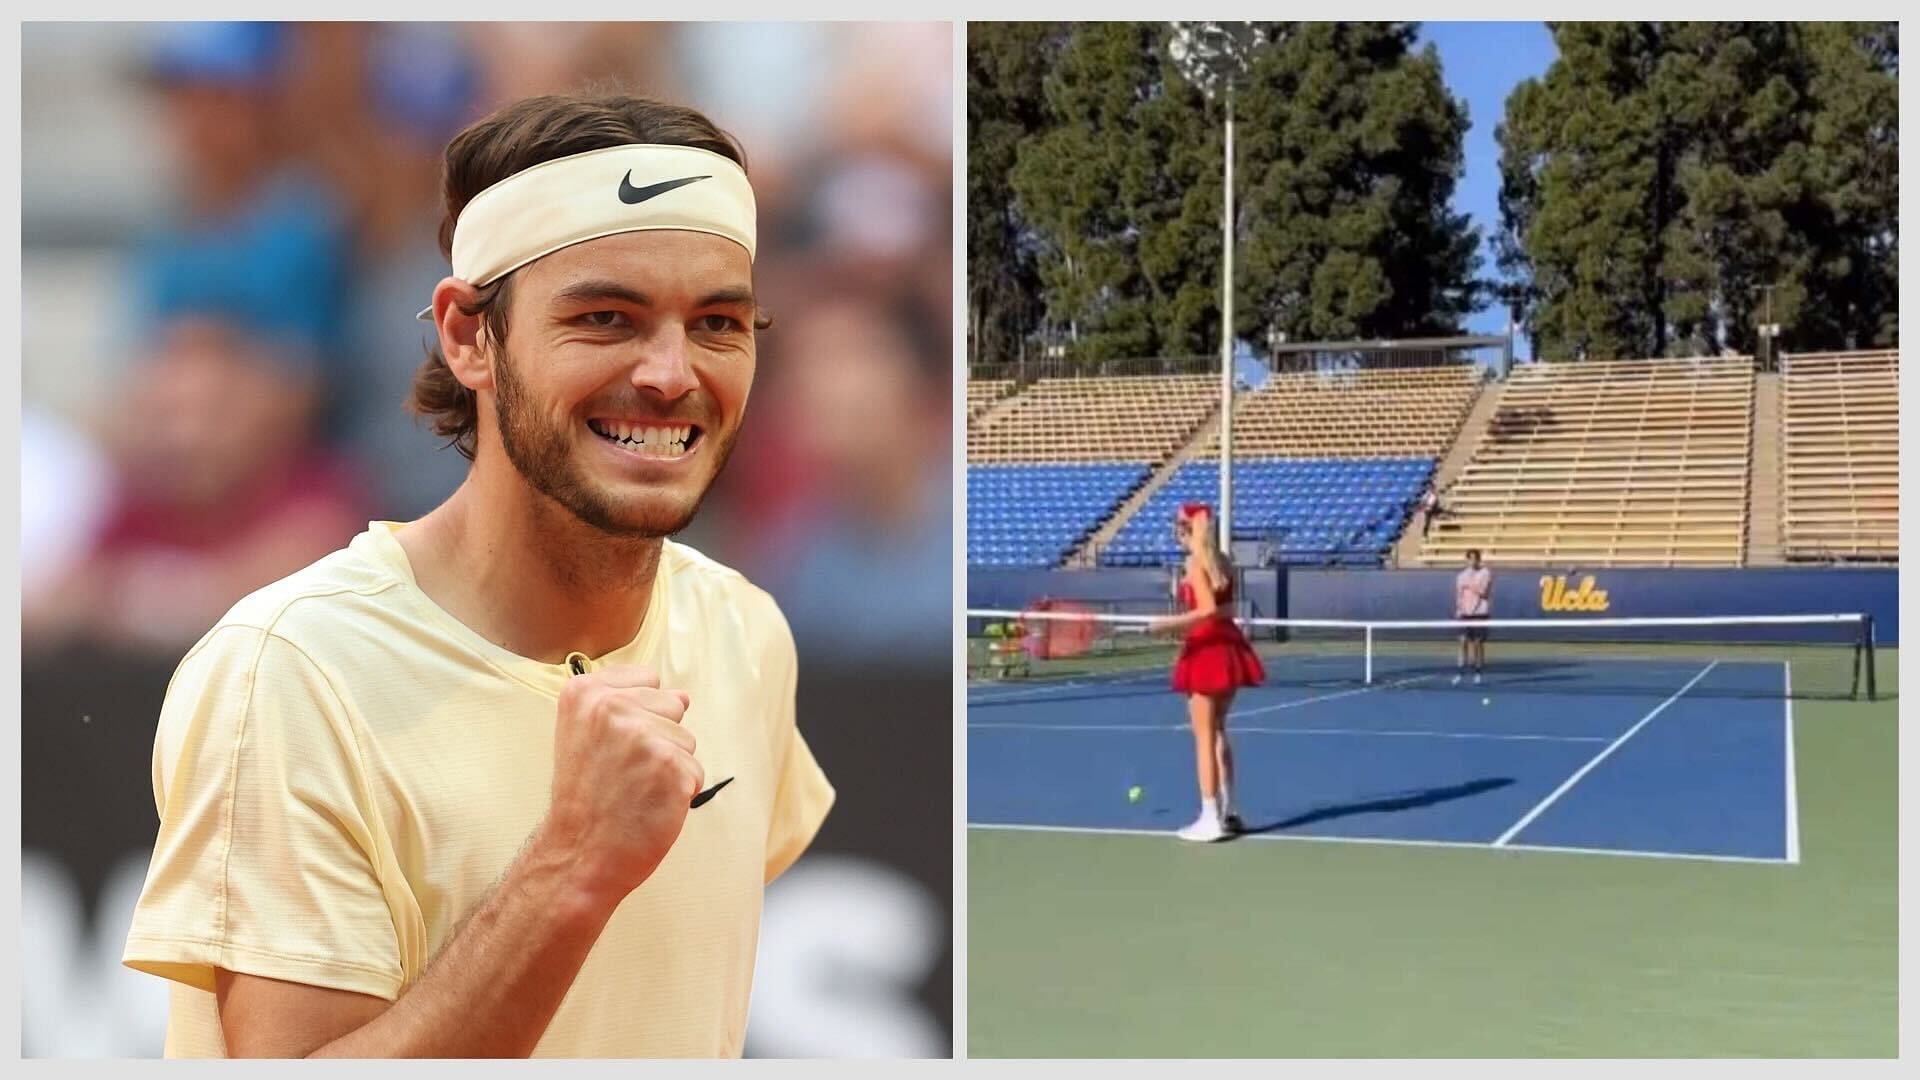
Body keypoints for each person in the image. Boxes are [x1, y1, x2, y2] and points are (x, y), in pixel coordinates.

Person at [121, 92, 834, 1058]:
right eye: (606, 317)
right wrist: (575, 862)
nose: (672, 372)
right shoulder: (287, 672)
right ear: (467, 336)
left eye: (718, 323)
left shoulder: (746, 631)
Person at [1152, 502, 1265, 843]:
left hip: (1206, 650)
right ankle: (1229, 812)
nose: (1175, 530)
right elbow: (1225, 609)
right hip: (1227, 646)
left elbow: (1206, 610)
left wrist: (1165, 624)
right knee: (1218, 732)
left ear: (1185, 528)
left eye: (1177, 524)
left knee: (1203, 735)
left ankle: (1209, 816)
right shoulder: (1224, 562)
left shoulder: (1194, 562)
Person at [1454, 547, 1492, 685]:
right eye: (1470, 559)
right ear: (1467, 560)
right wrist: (1459, 609)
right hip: (1465, 613)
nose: (1472, 561)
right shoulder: (1460, 576)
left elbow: (1484, 592)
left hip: (1480, 613)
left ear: (1479, 560)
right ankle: (1460, 672)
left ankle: (1478, 672)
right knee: (1462, 641)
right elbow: (1459, 594)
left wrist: (1470, 584)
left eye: (1475, 559)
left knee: (1477, 643)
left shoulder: (1486, 573)